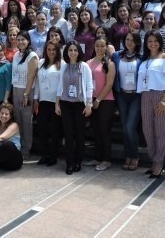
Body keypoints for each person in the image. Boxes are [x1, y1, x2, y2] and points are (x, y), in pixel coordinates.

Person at [137, 30, 165, 178]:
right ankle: (154, 159)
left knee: (160, 131)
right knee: (147, 129)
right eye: (149, 41)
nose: (152, 44)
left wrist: (164, 101)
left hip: (160, 95)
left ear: (160, 42)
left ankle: (159, 163)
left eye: (155, 41)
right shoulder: (144, 60)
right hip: (145, 96)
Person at [55, 41, 93, 175]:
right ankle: (69, 163)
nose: (72, 52)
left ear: (79, 52)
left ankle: (78, 161)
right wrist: (57, 103)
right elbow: (60, 86)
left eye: (75, 50)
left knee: (80, 134)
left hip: (79, 105)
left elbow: (89, 86)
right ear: (66, 52)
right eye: (70, 50)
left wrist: (89, 104)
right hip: (65, 104)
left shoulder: (84, 67)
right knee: (68, 134)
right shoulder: (64, 67)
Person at [85, 37, 116, 171]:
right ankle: (98, 157)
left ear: (106, 48)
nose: (99, 48)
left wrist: (98, 100)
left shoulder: (109, 63)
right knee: (96, 130)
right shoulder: (88, 62)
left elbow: (109, 84)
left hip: (105, 101)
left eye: (102, 46)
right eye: (97, 46)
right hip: (91, 100)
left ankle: (106, 159)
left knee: (104, 130)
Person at [112, 32, 142, 170]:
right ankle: (128, 156)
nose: (129, 42)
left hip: (136, 96)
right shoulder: (117, 56)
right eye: (127, 39)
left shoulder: (141, 57)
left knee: (130, 127)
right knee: (125, 129)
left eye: (132, 40)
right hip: (122, 95)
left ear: (137, 42)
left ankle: (135, 156)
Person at [34, 41, 62, 166]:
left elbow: (62, 85)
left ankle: (53, 156)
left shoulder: (62, 64)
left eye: (53, 49)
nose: (51, 52)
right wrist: (36, 99)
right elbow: (38, 83)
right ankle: (44, 155)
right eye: (49, 49)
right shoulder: (40, 63)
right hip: (43, 101)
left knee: (55, 131)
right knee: (42, 129)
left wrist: (58, 102)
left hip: (55, 102)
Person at [11, 31, 39, 159]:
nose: (21, 42)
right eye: (19, 39)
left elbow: (32, 76)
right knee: (17, 119)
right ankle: (18, 146)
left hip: (26, 91)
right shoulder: (16, 54)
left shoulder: (32, 56)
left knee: (26, 121)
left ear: (28, 41)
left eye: (23, 39)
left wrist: (27, 94)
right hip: (16, 89)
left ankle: (26, 149)